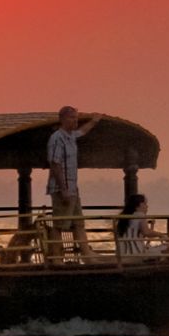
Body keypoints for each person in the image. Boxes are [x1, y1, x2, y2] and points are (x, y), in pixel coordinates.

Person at [47, 106, 100, 256]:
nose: (75, 120)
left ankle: (87, 254)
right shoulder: (57, 138)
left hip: (73, 188)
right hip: (60, 189)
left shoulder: (70, 136)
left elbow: (82, 132)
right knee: (59, 224)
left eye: (76, 118)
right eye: (72, 117)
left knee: (78, 223)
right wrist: (63, 189)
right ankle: (56, 257)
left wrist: (94, 121)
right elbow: (55, 164)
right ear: (63, 119)